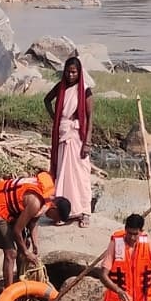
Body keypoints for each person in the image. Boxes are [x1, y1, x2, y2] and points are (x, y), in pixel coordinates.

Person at [0, 172, 72, 289]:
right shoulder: (35, 202)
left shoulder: (47, 200)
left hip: (13, 210)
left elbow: (33, 222)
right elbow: (17, 230)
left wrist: (35, 245)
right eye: (56, 218)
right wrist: (26, 252)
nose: (54, 220)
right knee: (11, 253)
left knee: (25, 245)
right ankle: (9, 292)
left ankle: (19, 283)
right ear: (55, 208)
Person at [44, 56, 93, 228]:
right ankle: (64, 212)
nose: (71, 75)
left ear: (79, 73)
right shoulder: (61, 87)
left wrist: (87, 142)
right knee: (63, 172)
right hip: (63, 133)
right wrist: (56, 119)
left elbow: (89, 117)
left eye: (74, 72)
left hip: (77, 136)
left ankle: (84, 211)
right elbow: (46, 100)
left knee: (80, 173)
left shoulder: (85, 90)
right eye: (68, 71)